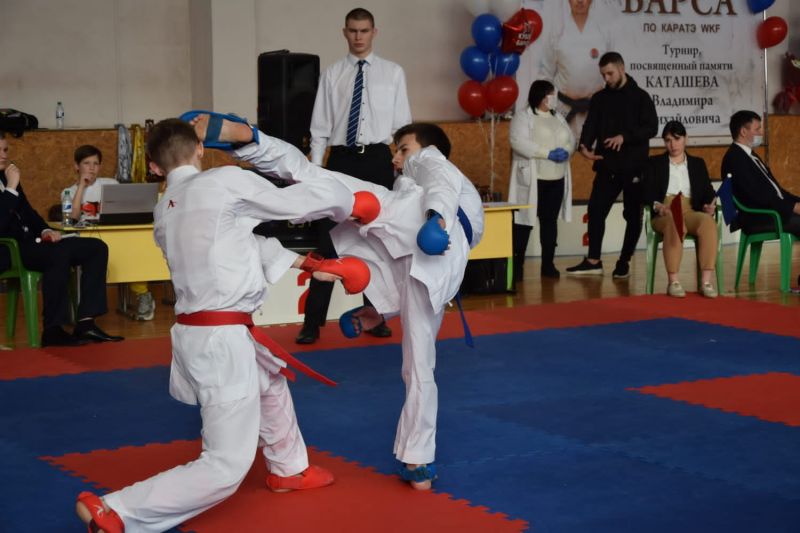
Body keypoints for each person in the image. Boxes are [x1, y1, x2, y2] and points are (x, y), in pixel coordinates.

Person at [75, 116, 379, 533]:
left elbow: (242, 243)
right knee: (226, 464)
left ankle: (290, 468)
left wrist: (312, 265)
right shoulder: (224, 181)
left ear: (156, 167)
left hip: (199, 333)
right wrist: (351, 202)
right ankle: (118, 510)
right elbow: (298, 203)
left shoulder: (165, 209)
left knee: (270, 382)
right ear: (200, 148)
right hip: (221, 340)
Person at [221, 118, 483, 490]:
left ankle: (253, 144)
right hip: (413, 240)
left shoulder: (431, 161)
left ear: (427, 148)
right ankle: (251, 143)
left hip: (425, 232)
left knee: (327, 185)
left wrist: (437, 219)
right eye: (395, 151)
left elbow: (440, 181)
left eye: (403, 149)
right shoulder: (410, 181)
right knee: (420, 364)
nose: (396, 158)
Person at [299, 6, 412, 344]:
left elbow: (403, 127)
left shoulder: (393, 73)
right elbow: (319, 128)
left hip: (378, 159)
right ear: (344, 32)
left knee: (376, 241)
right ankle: (312, 323)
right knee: (327, 241)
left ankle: (375, 316)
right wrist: (314, 173)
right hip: (341, 161)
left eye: (364, 31)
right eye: (353, 30)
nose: (358, 37)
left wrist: (405, 166)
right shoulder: (332, 74)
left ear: (374, 32)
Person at [0, 132, 123, 347]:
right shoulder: (10, 181)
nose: (4, 155)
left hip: (34, 243)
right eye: (0, 150)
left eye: (5, 150)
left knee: (96, 247)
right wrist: (11, 188)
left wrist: (45, 231)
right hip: (12, 248)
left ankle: (86, 323)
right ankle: (53, 330)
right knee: (59, 253)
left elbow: (29, 213)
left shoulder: (6, 177)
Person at [566, 51, 658, 278]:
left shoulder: (641, 97)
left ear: (621, 69)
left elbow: (651, 128)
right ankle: (593, 260)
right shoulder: (600, 98)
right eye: (603, 75)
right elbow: (591, 124)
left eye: (610, 74)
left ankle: (624, 261)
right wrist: (584, 145)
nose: (606, 79)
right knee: (596, 210)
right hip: (607, 165)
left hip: (634, 166)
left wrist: (624, 137)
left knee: (632, 215)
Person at [62, 144, 156, 321]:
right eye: (86, 163)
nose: (91, 168)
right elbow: (72, 217)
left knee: (133, 250)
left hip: (115, 234)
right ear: (76, 166)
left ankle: (142, 294)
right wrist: (81, 186)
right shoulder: (68, 192)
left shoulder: (111, 184)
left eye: (96, 164)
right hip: (88, 240)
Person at [722, 110, 800, 286]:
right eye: (757, 129)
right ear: (743, 131)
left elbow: (776, 190)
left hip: (772, 211)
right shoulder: (735, 158)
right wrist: (792, 208)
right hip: (757, 217)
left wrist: (797, 202)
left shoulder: (751, 156)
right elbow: (756, 196)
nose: (761, 133)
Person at [643, 121, 718, 298]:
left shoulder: (697, 163)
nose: (673, 144)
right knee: (674, 222)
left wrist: (709, 205)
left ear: (686, 139)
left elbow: (708, 191)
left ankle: (706, 282)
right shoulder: (654, 163)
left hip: (690, 209)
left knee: (707, 222)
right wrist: (658, 205)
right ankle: (674, 282)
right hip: (666, 211)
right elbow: (645, 191)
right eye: (668, 140)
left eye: (677, 139)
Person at [509, 79, 574, 279]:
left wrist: (567, 151)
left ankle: (548, 264)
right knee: (524, 223)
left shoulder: (558, 117)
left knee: (549, 222)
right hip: (534, 179)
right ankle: (517, 267)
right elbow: (518, 141)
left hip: (556, 178)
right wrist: (547, 154)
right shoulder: (523, 117)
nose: (553, 98)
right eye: (550, 94)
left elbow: (570, 138)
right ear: (541, 96)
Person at [537, 0, 615, 139]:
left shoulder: (604, 31)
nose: (580, 1)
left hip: (595, 109)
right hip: (563, 108)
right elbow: (546, 75)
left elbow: (613, 73)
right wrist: (548, 111)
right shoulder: (557, 31)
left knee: (596, 149)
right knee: (560, 148)